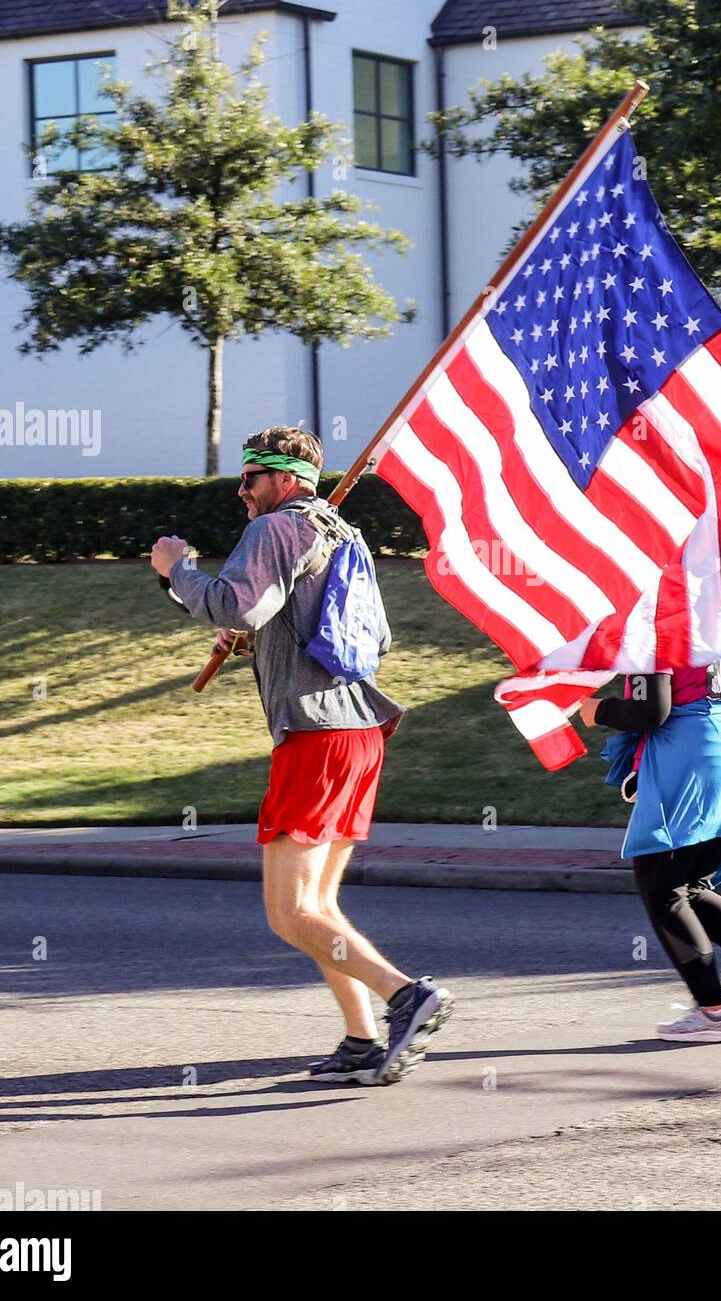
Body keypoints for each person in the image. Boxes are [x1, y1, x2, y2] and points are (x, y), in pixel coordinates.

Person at [149, 424, 452, 1086]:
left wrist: (179, 571)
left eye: (250, 477)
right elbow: (352, 632)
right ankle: (360, 1037)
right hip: (357, 732)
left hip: (315, 736)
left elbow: (236, 604)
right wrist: (259, 641)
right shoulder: (342, 531)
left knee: (288, 913)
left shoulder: (276, 530)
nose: (241, 490)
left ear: (284, 479)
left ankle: (406, 996)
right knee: (319, 908)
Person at [580, 655, 721, 1044]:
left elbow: (651, 710)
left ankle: (714, 1012)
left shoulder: (657, 629)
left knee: (663, 893)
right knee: (691, 887)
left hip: (686, 763)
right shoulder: (716, 625)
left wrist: (596, 710)